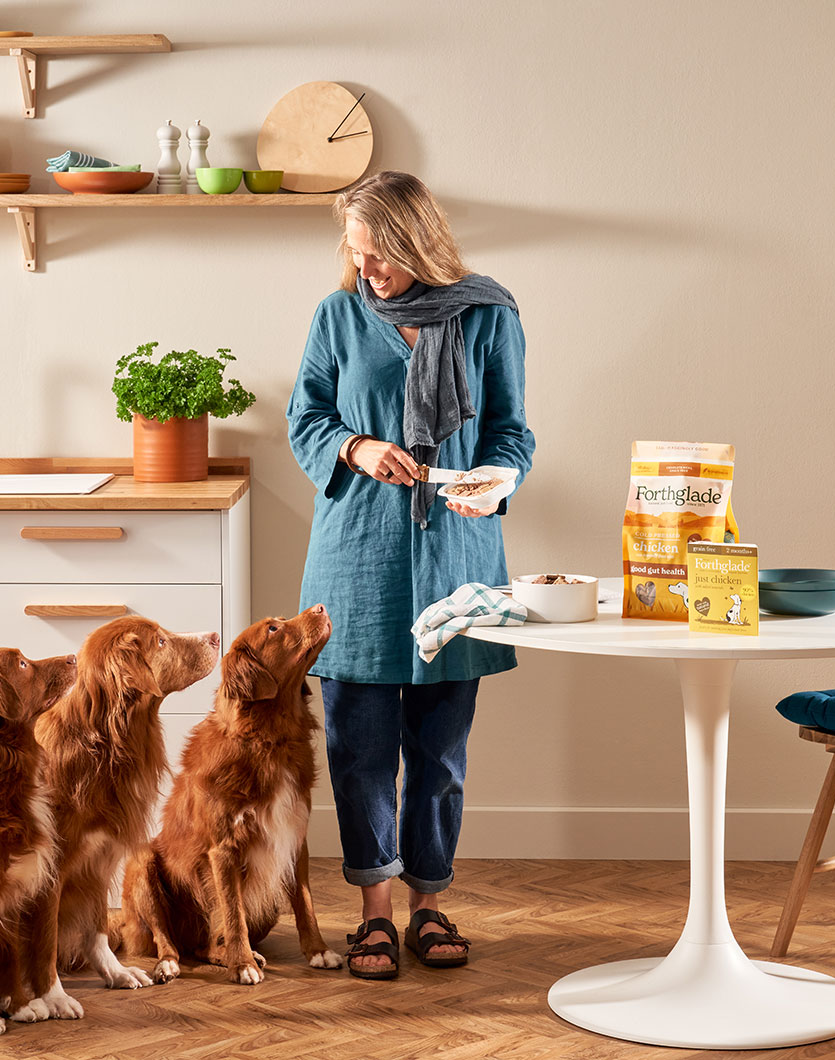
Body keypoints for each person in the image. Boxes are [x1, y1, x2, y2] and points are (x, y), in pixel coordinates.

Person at [286, 171, 535, 979]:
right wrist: (355, 448)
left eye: (382, 257)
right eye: (357, 258)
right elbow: (307, 418)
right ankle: (374, 913)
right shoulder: (338, 315)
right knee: (358, 748)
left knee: (440, 753)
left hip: (457, 562)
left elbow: (511, 434)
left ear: (418, 243)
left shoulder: (487, 315)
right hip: (356, 557)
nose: (370, 274)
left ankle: (430, 902)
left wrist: (495, 481)